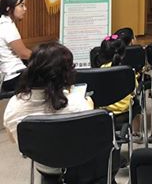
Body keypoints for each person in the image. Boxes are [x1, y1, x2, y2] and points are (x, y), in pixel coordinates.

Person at [3, 42, 117, 183]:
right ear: (66, 74)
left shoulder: (14, 105)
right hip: (80, 165)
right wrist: (89, 102)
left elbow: (14, 140)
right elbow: (91, 136)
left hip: (44, 167)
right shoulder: (78, 104)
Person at [0, 0, 32, 92]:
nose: (25, 9)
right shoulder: (7, 27)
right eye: (21, 5)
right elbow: (23, 54)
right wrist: (47, 58)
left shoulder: (4, 22)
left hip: (10, 75)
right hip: (14, 77)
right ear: (8, 8)